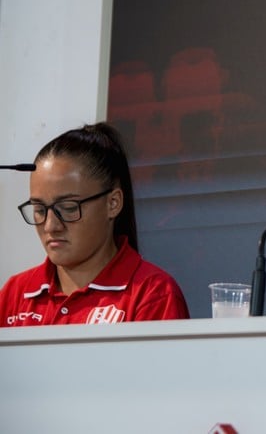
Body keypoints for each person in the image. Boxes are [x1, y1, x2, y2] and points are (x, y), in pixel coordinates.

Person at [0, 123, 189, 326]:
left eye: (68, 208)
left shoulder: (153, 293)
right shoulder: (15, 293)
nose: (50, 226)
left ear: (113, 203)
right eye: (39, 210)